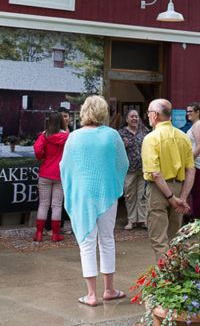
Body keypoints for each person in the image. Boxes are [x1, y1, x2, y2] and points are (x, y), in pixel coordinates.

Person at [59, 95, 129, 307]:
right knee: (107, 239)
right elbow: (123, 163)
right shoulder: (112, 135)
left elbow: (65, 166)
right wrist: (114, 182)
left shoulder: (74, 137)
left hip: (82, 195)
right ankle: (109, 290)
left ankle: (91, 295)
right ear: (103, 112)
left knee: (86, 242)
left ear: (83, 112)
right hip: (106, 194)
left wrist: (74, 187)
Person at [141, 99, 195, 260]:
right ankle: (176, 272)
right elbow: (191, 169)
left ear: (155, 115)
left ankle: (166, 277)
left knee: (159, 239)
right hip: (179, 187)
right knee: (174, 238)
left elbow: (155, 173)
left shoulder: (151, 138)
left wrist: (171, 198)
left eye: (149, 113)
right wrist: (182, 197)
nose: (148, 116)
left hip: (159, 190)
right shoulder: (183, 137)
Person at [33, 111, 69, 242]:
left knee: (43, 204)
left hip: (45, 173)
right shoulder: (66, 137)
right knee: (57, 205)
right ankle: (55, 234)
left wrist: (41, 157)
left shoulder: (44, 135)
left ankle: (38, 233)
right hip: (60, 174)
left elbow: (37, 150)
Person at [119, 108, 148, 230]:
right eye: (132, 116)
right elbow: (116, 151)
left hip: (143, 169)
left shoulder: (144, 132)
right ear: (126, 119)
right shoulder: (121, 133)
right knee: (130, 196)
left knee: (142, 195)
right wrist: (122, 146)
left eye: (136, 116)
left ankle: (142, 220)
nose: (134, 118)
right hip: (128, 169)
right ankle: (131, 220)